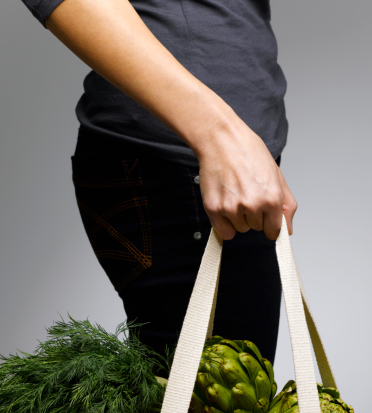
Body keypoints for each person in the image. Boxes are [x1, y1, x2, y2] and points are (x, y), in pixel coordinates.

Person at [21, 0, 297, 364]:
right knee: (197, 409)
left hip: (235, 163)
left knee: (227, 406)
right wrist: (219, 136)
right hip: (179, 162)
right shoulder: (211, 142)